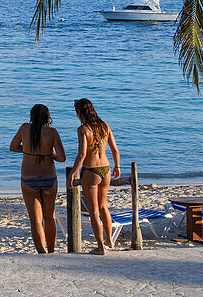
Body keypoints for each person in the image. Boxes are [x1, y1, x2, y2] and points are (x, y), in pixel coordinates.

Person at [10, 103, 66, 253]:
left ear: (31, 116)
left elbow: (13, 147)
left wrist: (27, 150)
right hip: (48, 178)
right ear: (48, 117)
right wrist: (49, 154)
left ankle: (41, 252)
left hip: (29, 178)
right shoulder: (52, 132)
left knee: (35, 220)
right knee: (50, 217)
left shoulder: (24, 128)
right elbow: (62, 158)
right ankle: (52, 250)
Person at [69, 98, 120, 255]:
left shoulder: (83, 129)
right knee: (103, 206)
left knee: (93, 211)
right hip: (106, 168)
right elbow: (115, 149)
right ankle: (109, 241)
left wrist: (72, 173)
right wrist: (117, 166)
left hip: (91, 171)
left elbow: (82, 154)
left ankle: (100, 247)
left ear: (80, 112)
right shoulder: (105, 126)